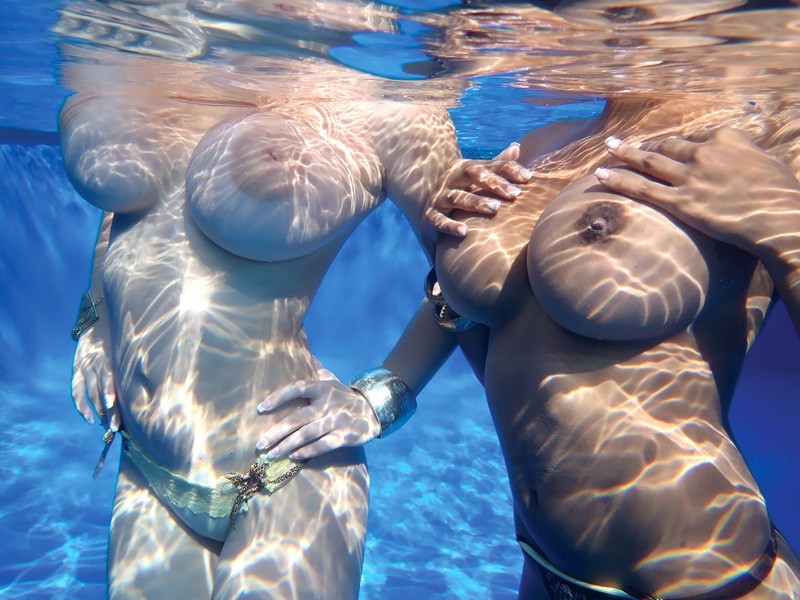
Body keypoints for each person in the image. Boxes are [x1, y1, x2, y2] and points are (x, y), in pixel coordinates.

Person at [258, 95, 800, 598]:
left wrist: (783, 224)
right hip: (542, 567)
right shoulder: (550, 141)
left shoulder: (776, 136)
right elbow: (490, 305)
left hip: (710, 580)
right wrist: (378, 397)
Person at [61, 26, 531, 600]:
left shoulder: (388, 108)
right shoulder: (163, 55)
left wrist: (381, 399)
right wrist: (96, 322)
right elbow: (127, 211)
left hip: (284, 475)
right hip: (145, 468)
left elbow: (471, 274)